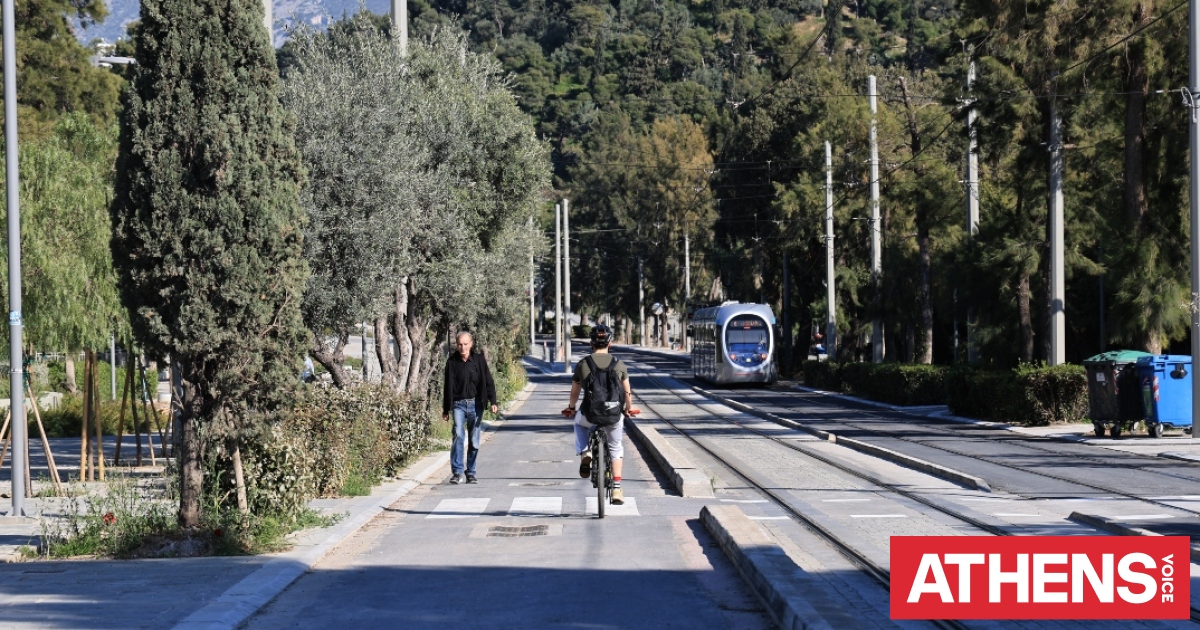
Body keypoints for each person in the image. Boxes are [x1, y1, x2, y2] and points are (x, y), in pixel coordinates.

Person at [560, 324, 640, 505]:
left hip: (590, 415)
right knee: (616, 447)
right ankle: (617, 488)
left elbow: (574, 392)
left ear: (591, 343)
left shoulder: (583, 364)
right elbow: (627, 392)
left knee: (578, 424)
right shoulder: (619, 364)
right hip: (613, 415)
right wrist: (629, 409)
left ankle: (585, 452)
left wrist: (571, 408)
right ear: (610, 343)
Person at [442, 331, 498, 484]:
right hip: (458, 405)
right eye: (460, 344)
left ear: (471, 344)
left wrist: (493, 401)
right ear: (457, 345)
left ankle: (471, 472)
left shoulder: (478, 360)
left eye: (465, 344)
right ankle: (457, 472)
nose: (463, 347)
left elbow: (488, 380)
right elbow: (448, 387)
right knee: (458, 435)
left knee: (474, 440)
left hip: (476, 405)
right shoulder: (452, 362)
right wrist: (446, 409)